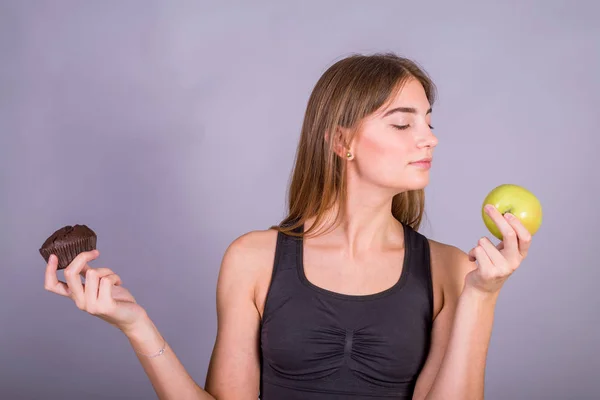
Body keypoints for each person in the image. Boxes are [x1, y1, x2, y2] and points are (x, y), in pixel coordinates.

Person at [44, 52, 533, 400]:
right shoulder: (253, 258)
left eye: (429, 121)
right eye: (403, 124)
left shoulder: (451, 267)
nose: (430, 138)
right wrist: (135, 324)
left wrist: (482, 297)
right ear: (343, 141)